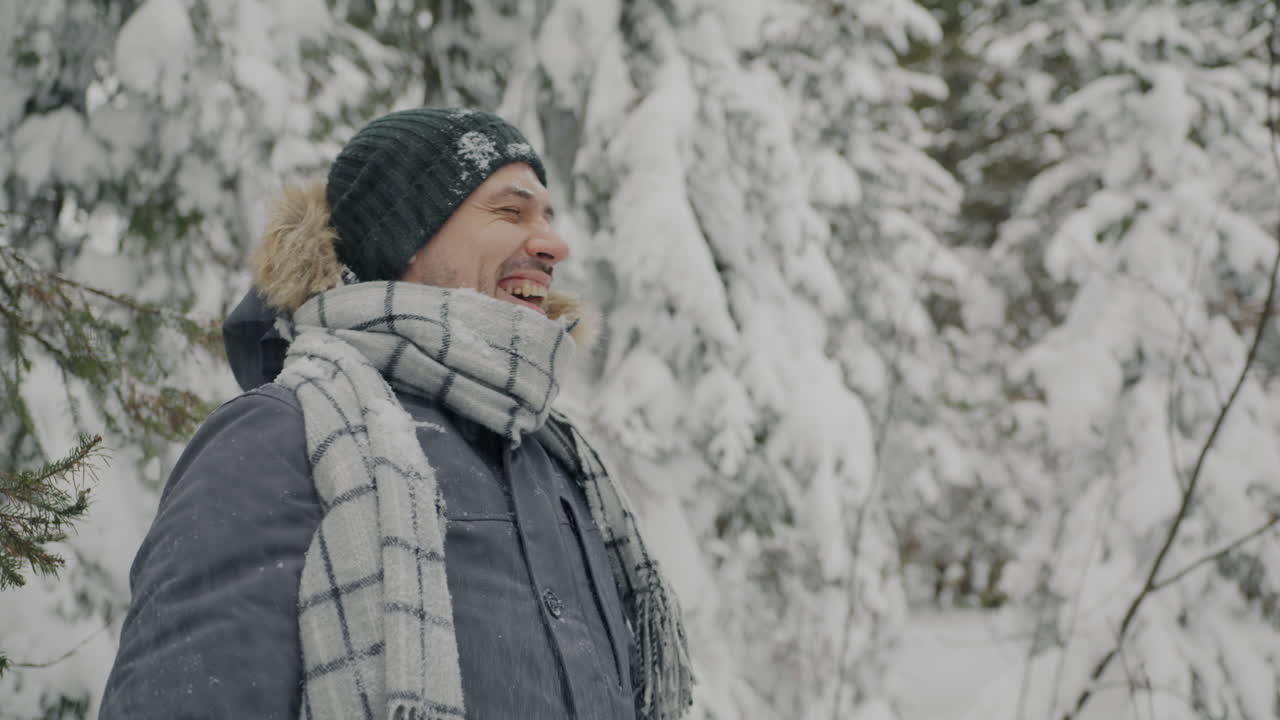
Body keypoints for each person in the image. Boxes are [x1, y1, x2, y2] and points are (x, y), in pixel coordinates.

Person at [99, 108, 692, 720]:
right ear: (404, 236)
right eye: (510, 212)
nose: (553, 244)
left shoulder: (560, 463)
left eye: (547, 218)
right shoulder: (282, 436)